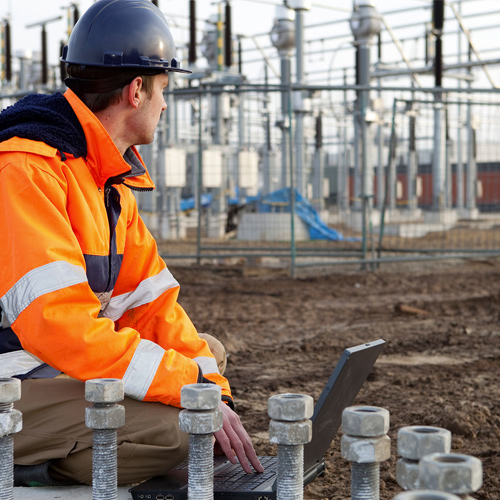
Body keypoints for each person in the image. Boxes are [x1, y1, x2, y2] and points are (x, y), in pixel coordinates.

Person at [0, 0, 263, 487]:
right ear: (137, 90)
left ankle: (76, 450)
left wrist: (212, 394)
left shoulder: (106, 180)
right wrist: (189, 396)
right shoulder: (27, 170)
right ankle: (25, 465)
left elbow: (152, 306)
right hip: (11, 385)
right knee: (179, 426)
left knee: (208, 357)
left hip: (48, 371)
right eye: (164, 89)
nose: (166, 104)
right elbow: (61, 326)